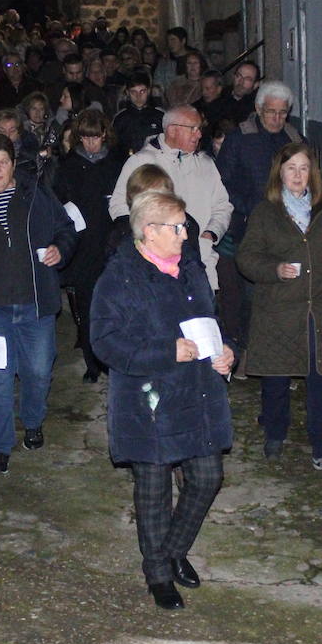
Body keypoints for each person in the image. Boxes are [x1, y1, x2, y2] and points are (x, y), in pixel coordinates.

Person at [91, 189, 235, 610]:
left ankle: (172, 550)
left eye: (184, 226)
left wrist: (225, 352)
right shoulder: (120, 277)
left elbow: (211, 319)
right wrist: (165, 351)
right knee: (154, 489)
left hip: (196, 391)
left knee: (207, 476)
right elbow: (104, 341)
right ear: (150, 232)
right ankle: (157, 571)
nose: (185, 235)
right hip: (148, 400)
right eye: (177, 227)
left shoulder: (190, 268)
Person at [236, 141, 322, 474]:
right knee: (276, 378)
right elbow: (246, 258)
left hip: (320, 310)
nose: (298, 175)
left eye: (303, 168)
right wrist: (275, 270)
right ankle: (274, 432)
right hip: (278, 310)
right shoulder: (265, 212)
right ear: (279, 173)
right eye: (290, 168)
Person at [0, 134, 77, 474]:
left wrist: (60, 249)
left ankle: (33, 420)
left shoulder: (35, 193)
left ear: (13, 164)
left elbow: (66, 228)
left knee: (38, 371)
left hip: (35, 303)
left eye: (3, 163)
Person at [216, 80, 305, 352]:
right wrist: (250, 208)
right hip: (249, 227)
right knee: (250, 295)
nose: (277, 119)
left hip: (288, 229)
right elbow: (223, 183)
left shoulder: (294, 139)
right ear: (258, 108)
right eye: (271, 112)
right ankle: (248, 350)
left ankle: (280, 352)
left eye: (282, 113)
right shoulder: (240, 139)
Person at [108, 105, 233, 292]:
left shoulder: (206, 164)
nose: (199, 135)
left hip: (201, 264)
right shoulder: (142, 162)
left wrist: (210, 234)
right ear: (173, 130)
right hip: (156, 266)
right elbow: (119, 206)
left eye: (200, 129)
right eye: (193, 128)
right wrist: (148, 240)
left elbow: (223, 205)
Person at [54, 109, 123, 382]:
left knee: (112, 304)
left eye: (95, 137)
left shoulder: (115, 163)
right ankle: (91, 363)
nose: (91, 143)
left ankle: (112, 358)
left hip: (110, 242)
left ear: (104, 134)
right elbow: (60, 201)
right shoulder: (69, 164)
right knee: (85, 306)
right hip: (83, 245)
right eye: (85, 137)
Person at [112, 72, 164, 155]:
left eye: (142, 91)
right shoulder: (120, 118)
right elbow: (113, 147)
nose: (138, 96)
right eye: (133, 92)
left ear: (149, 91)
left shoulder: (160, 116)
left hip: (154, 163)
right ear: (127, 93)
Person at [207, 60, 260, 127]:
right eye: (238, 76)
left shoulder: (257, 107)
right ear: (234, 77)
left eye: (247, 79)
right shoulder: (219, 99)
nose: (241, 82)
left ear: (255, 85)